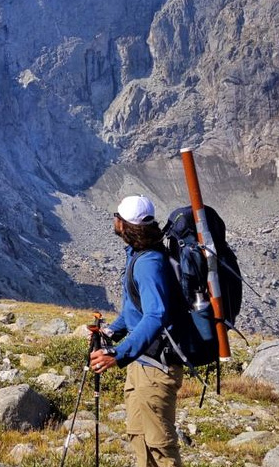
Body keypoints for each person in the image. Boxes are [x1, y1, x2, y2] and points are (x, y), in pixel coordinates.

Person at [88, 194, 184, 467]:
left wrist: (118, 354)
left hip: (155, 367)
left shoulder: (148, 263)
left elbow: (156, 315)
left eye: (117, 216)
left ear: (126, 225)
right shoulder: (138, 257)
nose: (114, 220)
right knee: (139, 439)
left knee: (160, 447)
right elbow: (135, 311)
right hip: (141, 365)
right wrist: (110, 332)